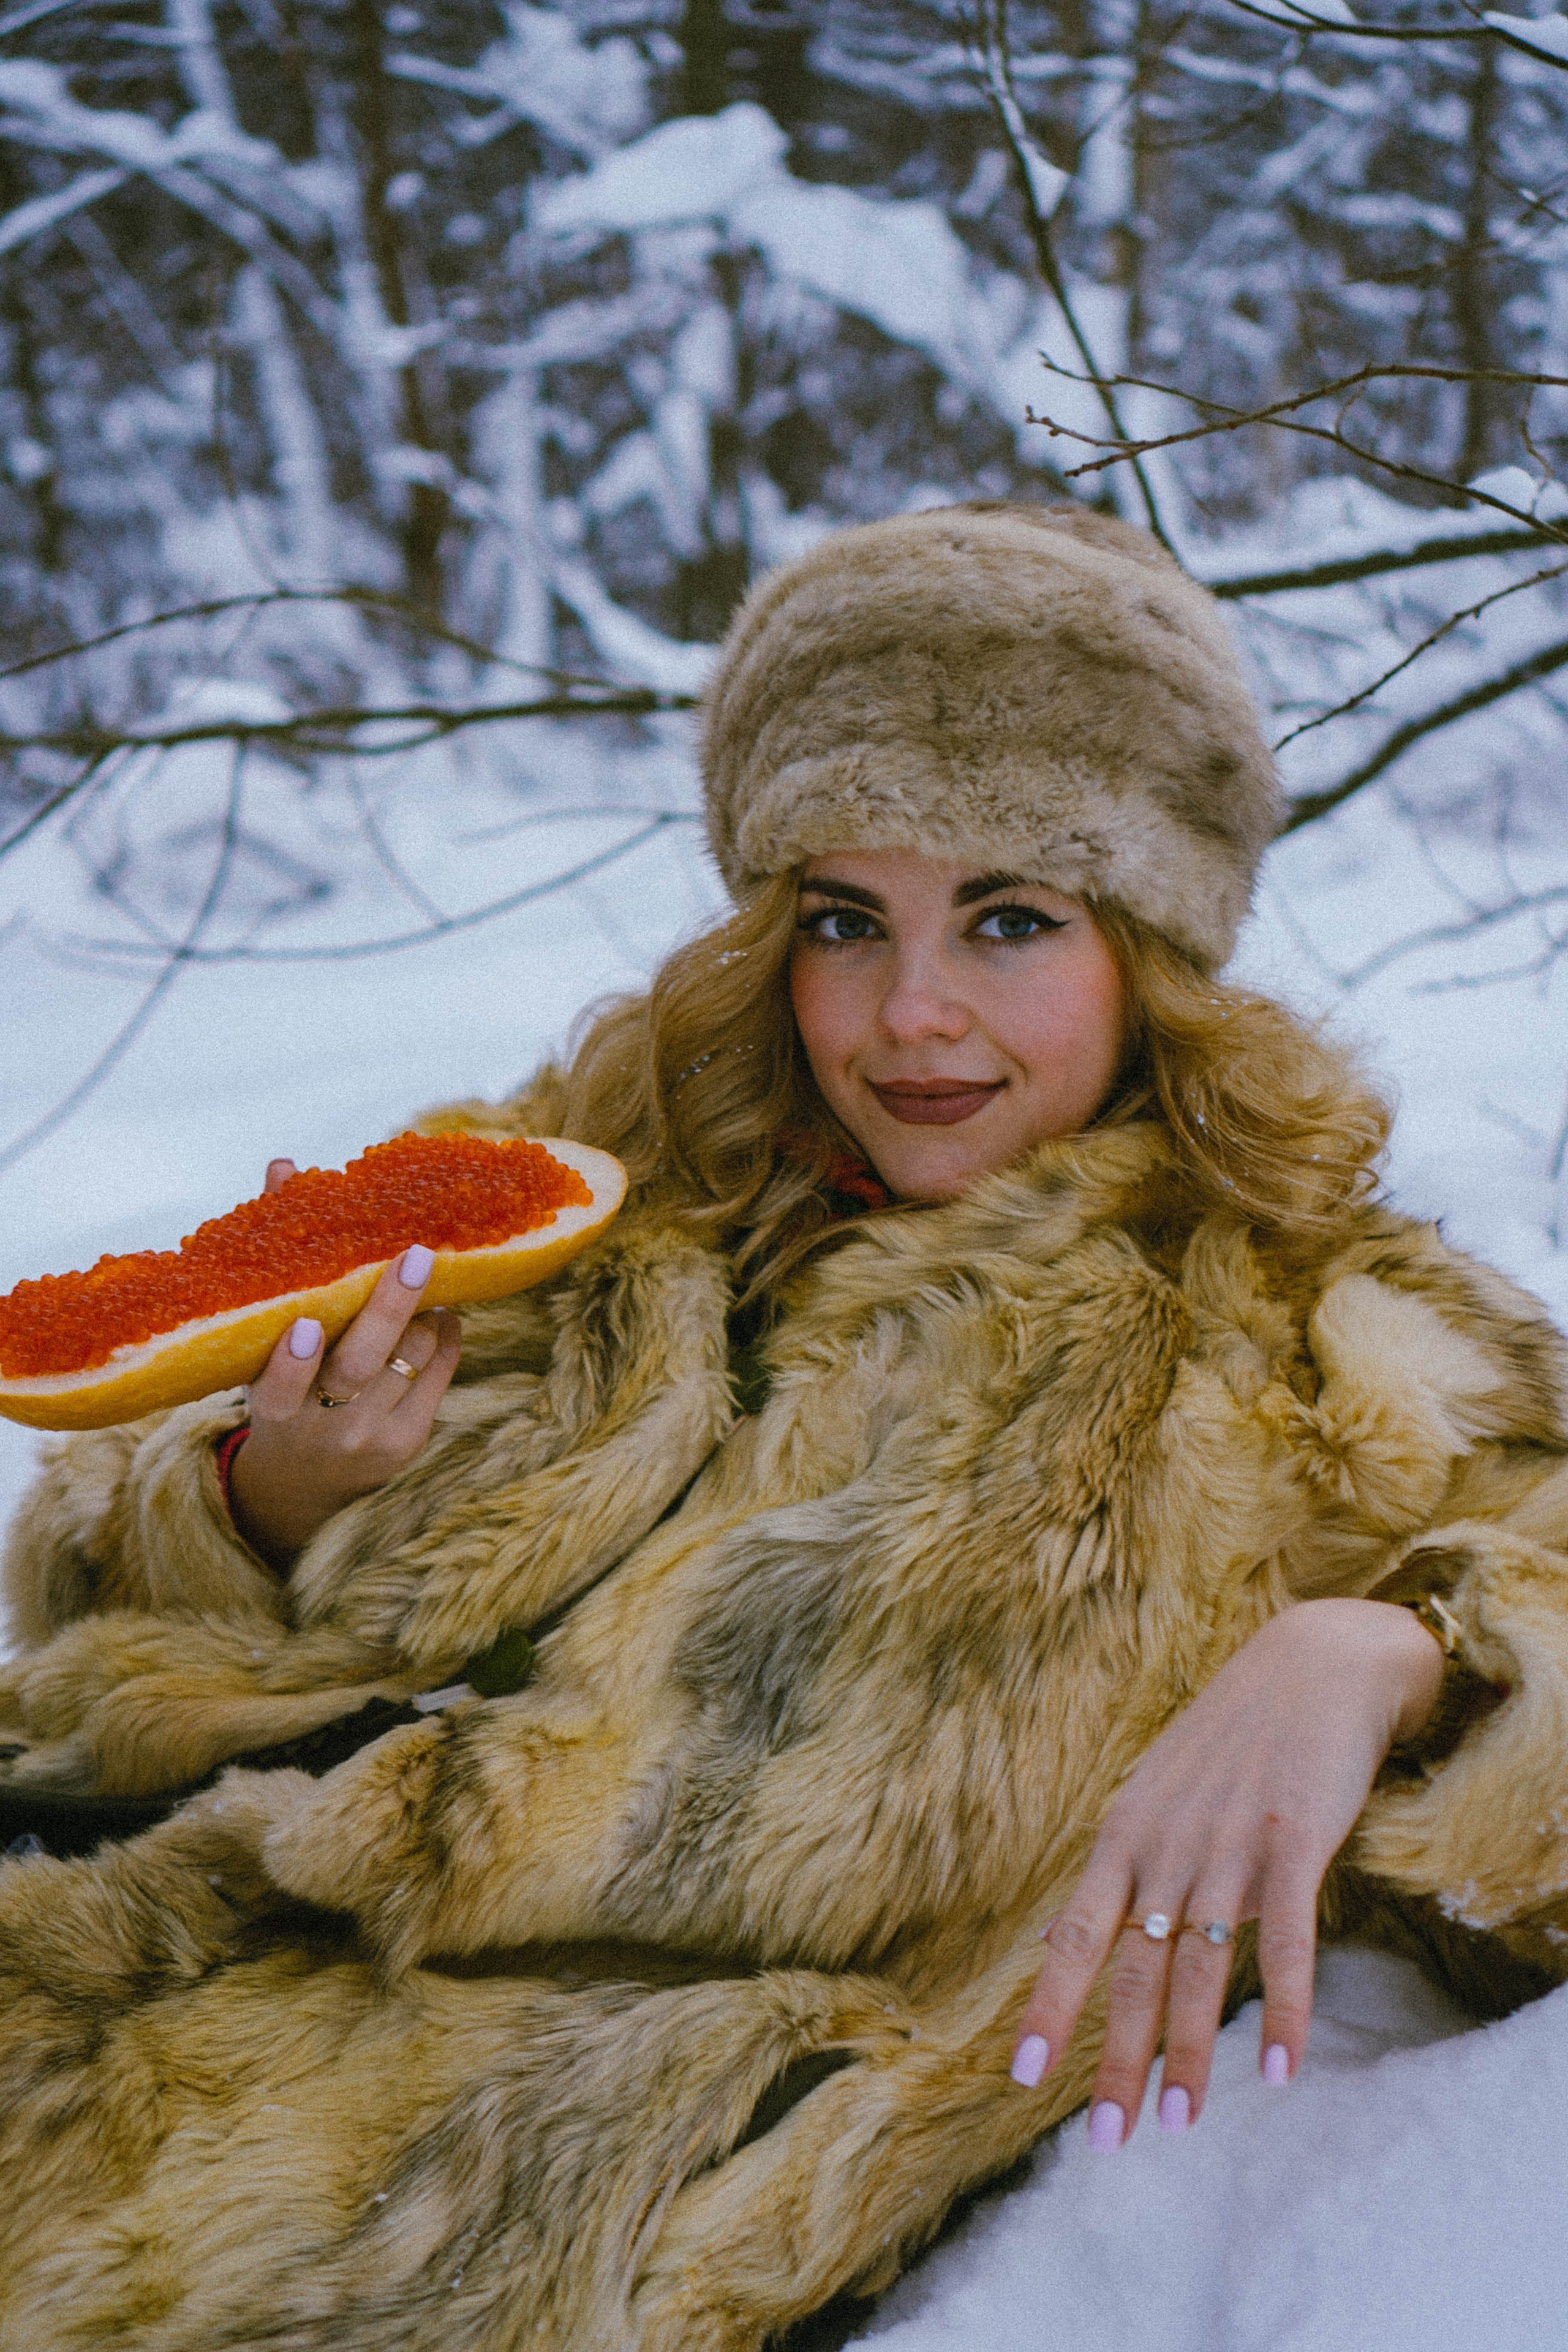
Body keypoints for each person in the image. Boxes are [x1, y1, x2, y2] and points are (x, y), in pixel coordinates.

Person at [0, 501, 1565, 2351]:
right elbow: (95, 1624)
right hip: (151, 1966)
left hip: (514, 2169)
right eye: (846, 920)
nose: (912, 1015)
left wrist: (1383, 1649)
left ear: (1150, 942)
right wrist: (262, 1504)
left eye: (1010, 920)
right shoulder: (593, 1207)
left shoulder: (1332, 1326)